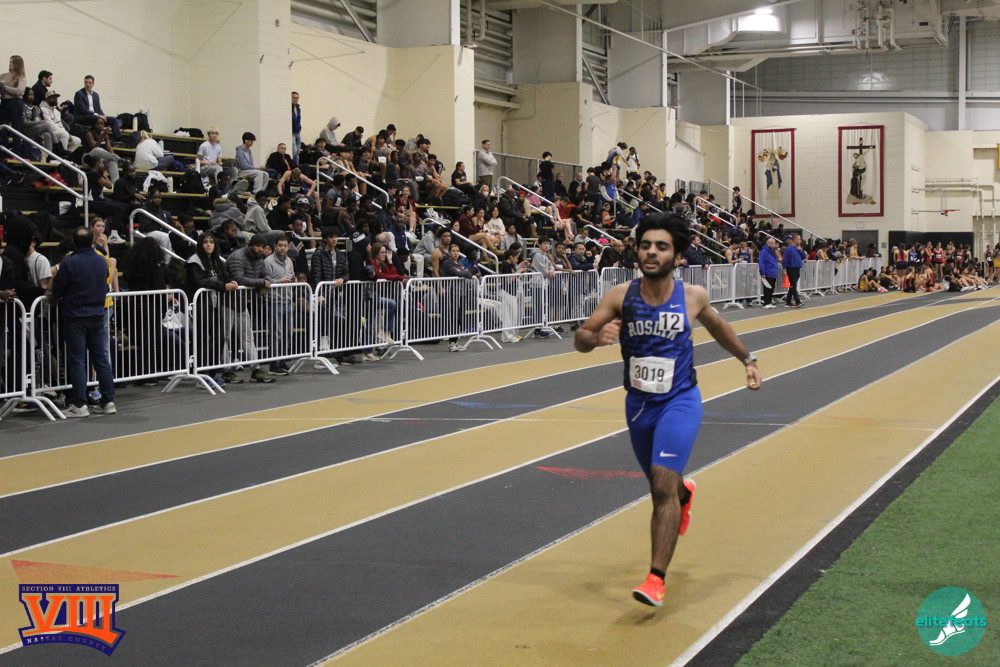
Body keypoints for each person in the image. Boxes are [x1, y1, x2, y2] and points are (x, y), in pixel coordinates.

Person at [574, 212, 762, 607]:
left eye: (661, 247)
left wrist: (748, 359)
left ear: (677, 257)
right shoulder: (620, 296)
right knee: (662, 486)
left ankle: (655, 579)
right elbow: (582, 337)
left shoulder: (692, 296)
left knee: (661, 486)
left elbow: (718, 327)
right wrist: (595, 337)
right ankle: (683, 493)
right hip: (639, 405)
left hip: (680, 400)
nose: (651, 252)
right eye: (646, 245)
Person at [49, 227, 117, 417]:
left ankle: (80, 404)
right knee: (101, 359)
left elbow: (57, 290)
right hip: (98, 313)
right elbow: (104, 285)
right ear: (91, 241)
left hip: (75, 315)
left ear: (74, 242)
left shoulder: (70, 263)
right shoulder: (101, 261)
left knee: (77, 360)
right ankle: (108, 401)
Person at [781, 234, 806, 307]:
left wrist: (801, 250)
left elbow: (803, 257)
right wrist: (785, 269)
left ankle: (788, 301)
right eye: (799, 239)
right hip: (791, 268)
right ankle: (797, 301)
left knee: (792, 285)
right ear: (794, 240)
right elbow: (786, 259)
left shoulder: (797, 248)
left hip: (797, 268)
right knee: (793, 286)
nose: (800, 240)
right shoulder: (789, 249)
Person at [758, 235, 780, 308]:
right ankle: (766, 302)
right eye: (773, 243)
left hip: (773, 272)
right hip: (768, 272)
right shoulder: (764, 251)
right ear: (769, 243)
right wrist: (762, 272)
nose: (774, 245)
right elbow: (761, 262)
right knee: (767, 288)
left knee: (771, 288)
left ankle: (769, 301)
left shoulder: (773, 251)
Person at [290, 91, 302, 163]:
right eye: (294, 98)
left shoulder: (298, 108)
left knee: (297, 151)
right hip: (292, 131)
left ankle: (296, 165)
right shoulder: (289, 108)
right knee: (294, 150)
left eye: (297, 98)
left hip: (297, 131)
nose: (295, 99)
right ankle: (291, 164)